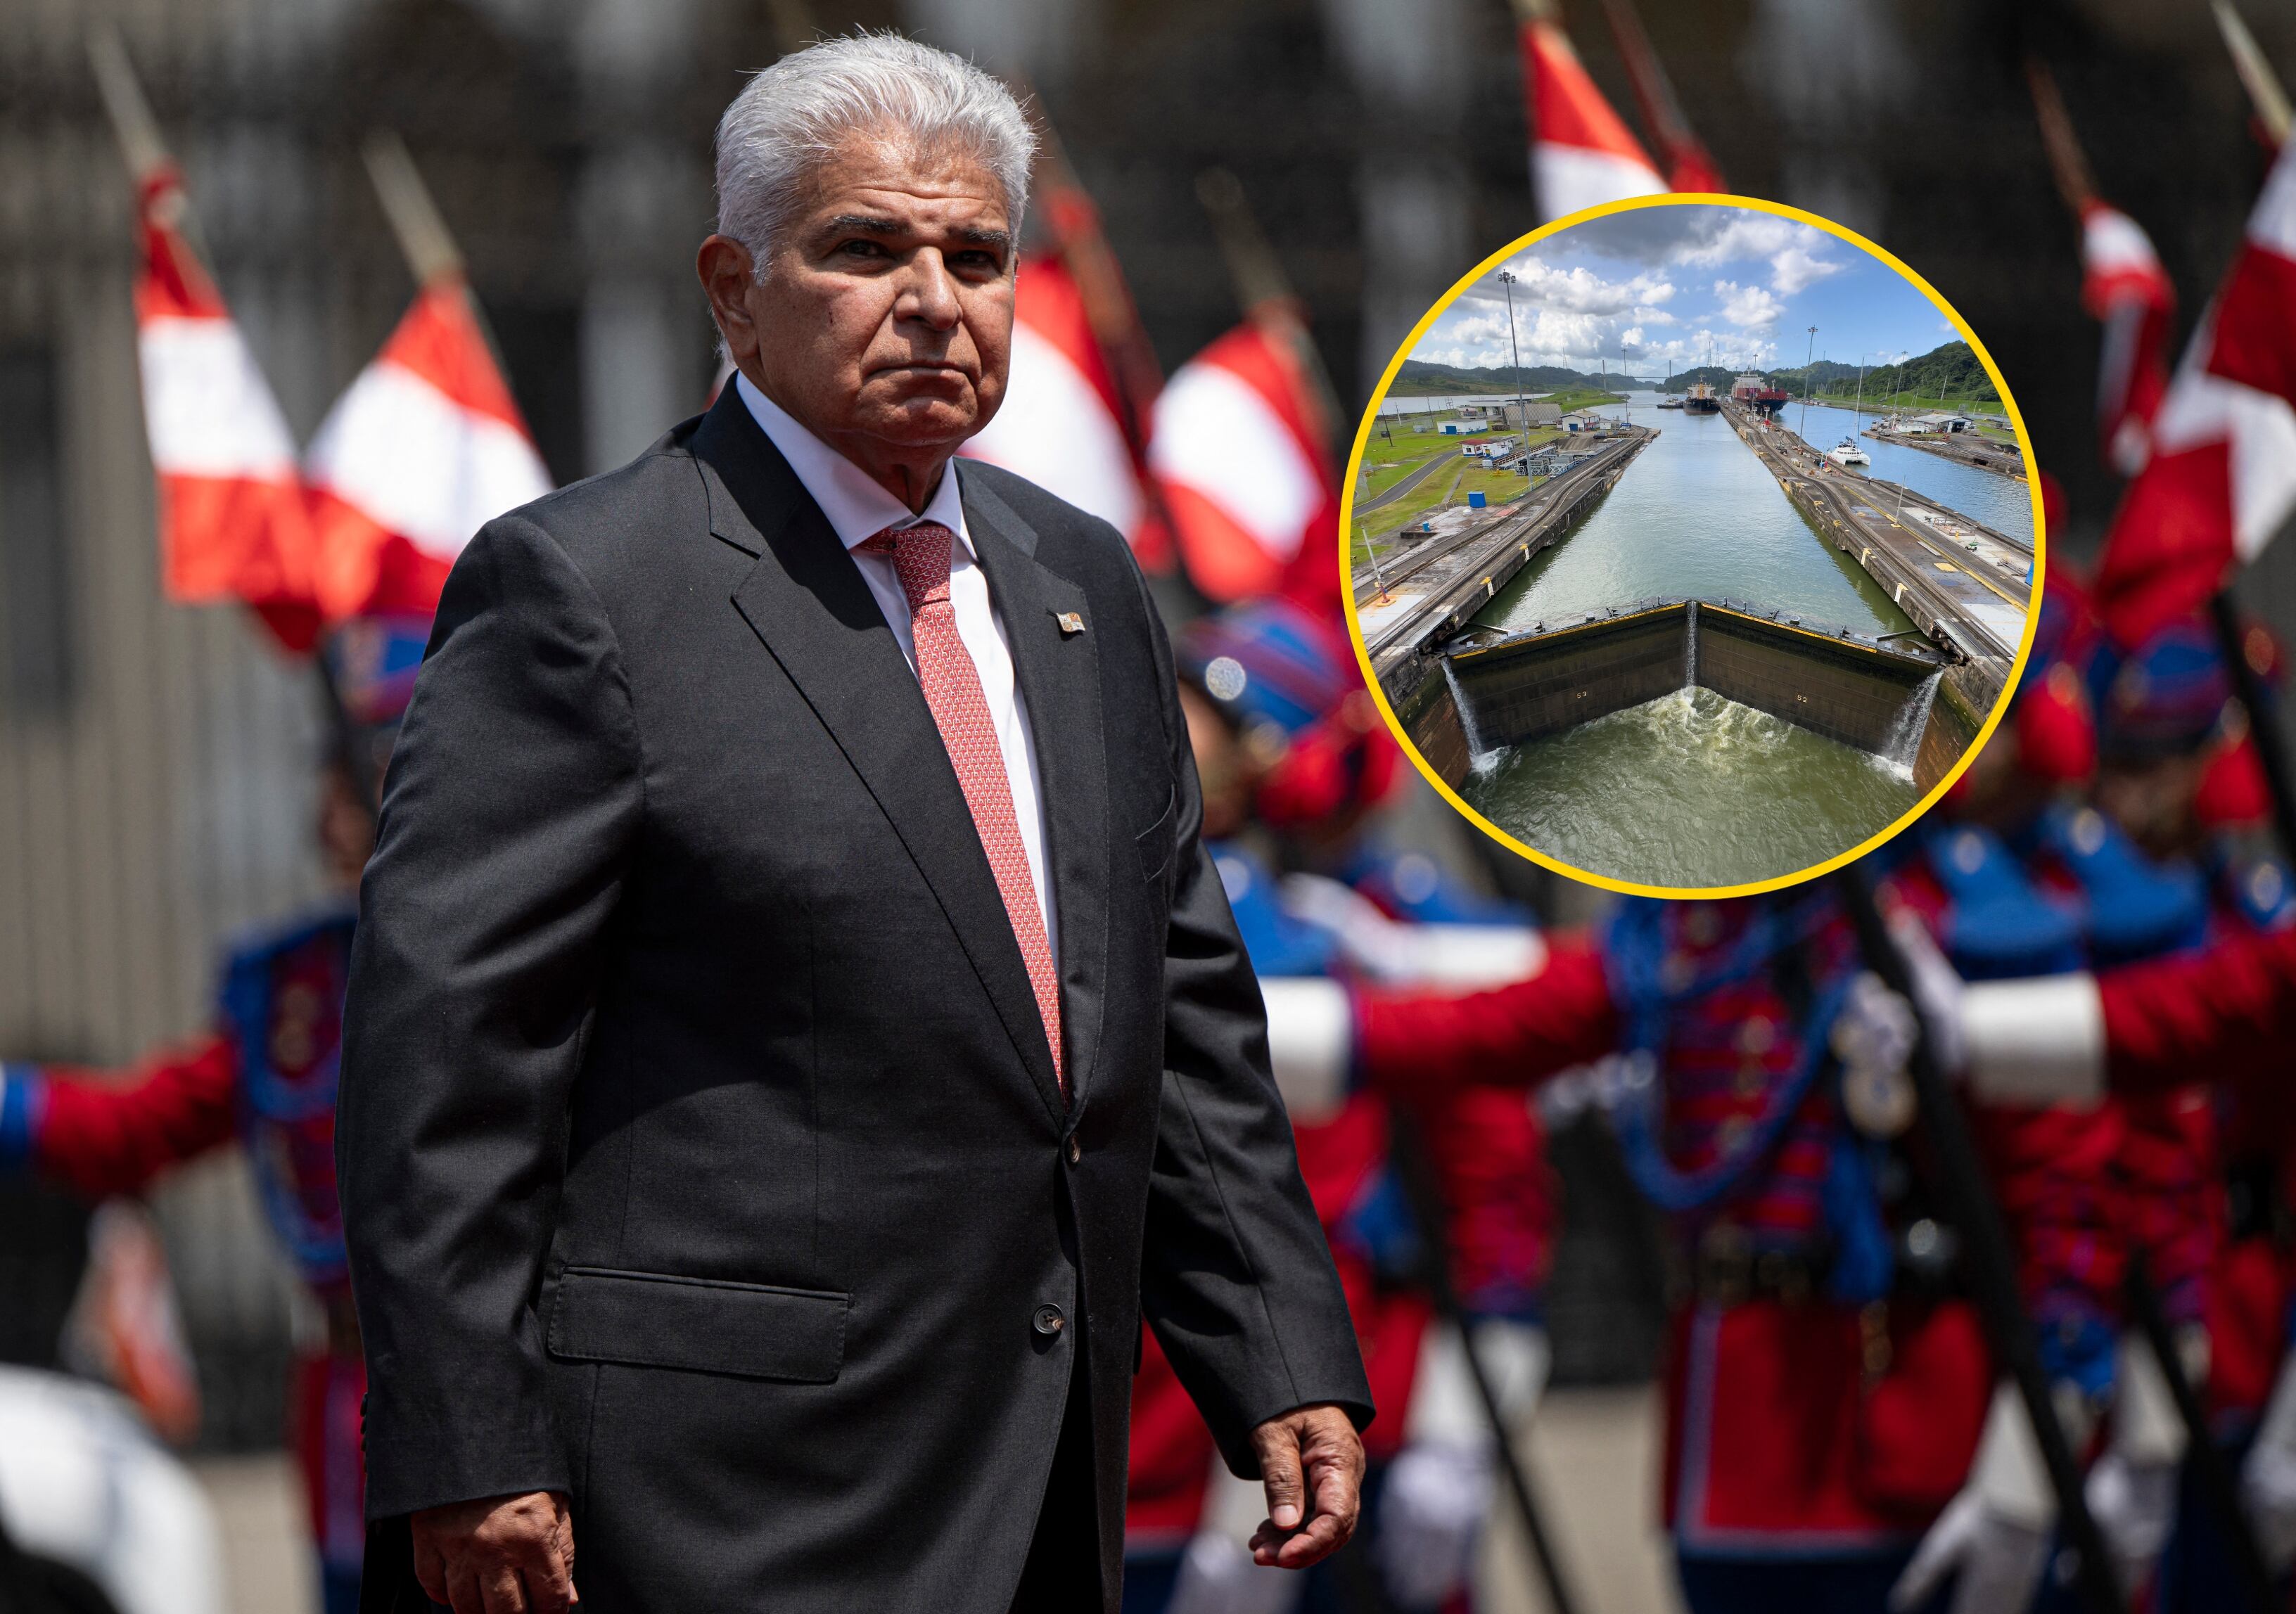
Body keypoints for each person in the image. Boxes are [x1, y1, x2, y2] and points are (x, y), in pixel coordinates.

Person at [336, 34, 1369, 1614]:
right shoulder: (589, 589)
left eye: (976, 254)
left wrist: (1278, 1345)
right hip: (711, 1502)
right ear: (734, 288)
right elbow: (447, 1057)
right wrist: (472, 1440)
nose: (936, 299)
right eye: (866, 248)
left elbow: (1174, 1003)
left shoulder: (1082, 583)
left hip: (1036, 1472)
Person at [1121, 598, 1550, 1614]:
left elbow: (1472, 1181)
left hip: (1320, 1401)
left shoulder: (1351, 934)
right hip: (1141, 1418)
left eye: (1206, 714)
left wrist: (1460, 1420)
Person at [0, 615, 426, 1614]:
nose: (322, 804)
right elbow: (129, 1129)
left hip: (508, 1395)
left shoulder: (561, 961)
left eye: (356, 764)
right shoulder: (298, 993)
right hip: (347, 1401)